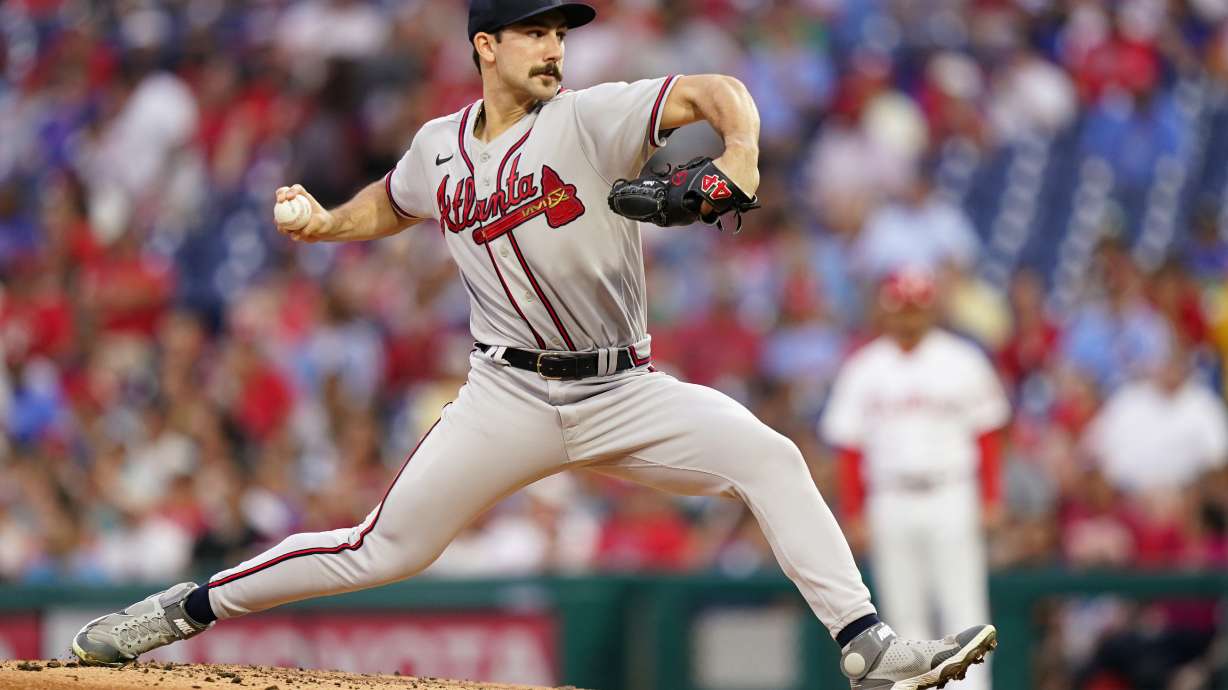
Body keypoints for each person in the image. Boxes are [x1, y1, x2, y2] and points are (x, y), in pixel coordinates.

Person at [70, 3, 997, 688]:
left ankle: (867, 646)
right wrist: (322, 224)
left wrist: (742, 153)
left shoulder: (590, 118)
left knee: (770, 456)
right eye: (536, 30)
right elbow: (389, 204)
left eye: (563, 30)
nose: (555, 46)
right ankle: (177, 612)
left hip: (623, 389)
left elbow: (719, 93)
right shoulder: (439, 148)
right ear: (487, 44)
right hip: (504, 397)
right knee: (378, 549)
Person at [822, 267, 1010, 690]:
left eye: (915, 309)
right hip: (889, 497)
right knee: (901, 615)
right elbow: (849, 447)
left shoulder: (962, 360)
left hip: (951, 490)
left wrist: (991, 497)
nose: (907, 318)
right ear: (885, 313)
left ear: (929, 311)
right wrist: (854, 511)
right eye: (899, 309)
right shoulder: (865, 367)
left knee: (964, 605)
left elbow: (988, 434)